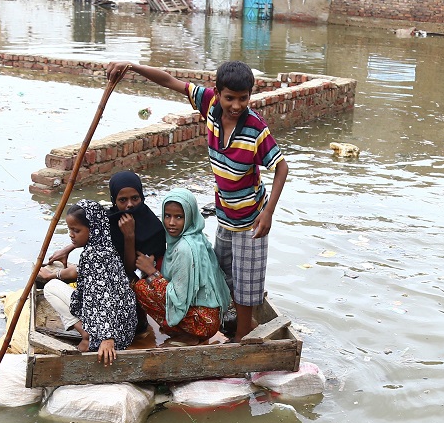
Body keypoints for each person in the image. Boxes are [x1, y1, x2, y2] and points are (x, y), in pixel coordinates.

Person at [106, 59, 288, 340]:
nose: (236, 106)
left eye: (243, 98)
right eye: (230, 98)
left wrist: (269, 213)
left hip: (251, 220)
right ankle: (240, 326)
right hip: (225, 215)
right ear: (218, 92)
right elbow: (169, 81)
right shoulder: (210, 104)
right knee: (225, 274)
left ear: (250, 96)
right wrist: (132, 66)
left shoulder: (255, 128)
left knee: (247, 284)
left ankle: (242, 336)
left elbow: (281, 168)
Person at [40, 201, 137, 366]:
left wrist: (107, 338)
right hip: (126, 330)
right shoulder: (107, 247)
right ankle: (93, 334)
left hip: (112, 336)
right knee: (64, 287)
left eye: (76, 231)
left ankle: (87, 335)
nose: (71, 235)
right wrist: (53, 274)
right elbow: (83, 276)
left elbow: (103, 298)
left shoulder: (92, 256)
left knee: (50, 289)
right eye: (70, 230)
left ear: (93, 230)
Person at [133, 189, 232, 343]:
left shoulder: (185, 249)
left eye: (179, 217)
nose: (171, 223)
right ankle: (185, 332)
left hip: (202, 323)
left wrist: (151, 271)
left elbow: (178, 299)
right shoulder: (196, 237)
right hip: (209, 317)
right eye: (167, 216)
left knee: (141, 287)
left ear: (190, 216)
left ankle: (187, 335)